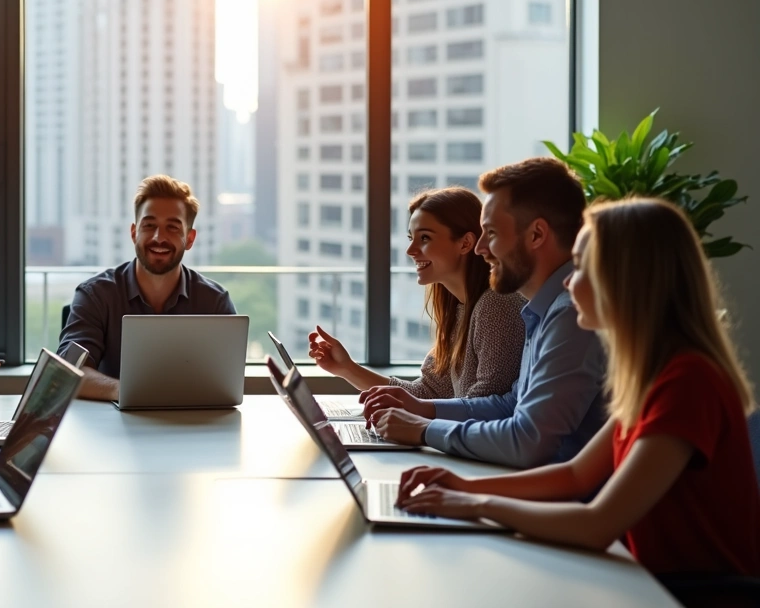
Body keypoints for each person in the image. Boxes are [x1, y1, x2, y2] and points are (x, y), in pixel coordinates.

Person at [395, 198, 760, 580]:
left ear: (625, 279)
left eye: (582, 266)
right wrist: (464, 486)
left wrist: (476, 504)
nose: (568, 281)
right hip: (642, 581)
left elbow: (597, 524)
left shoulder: (687, 382)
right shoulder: (651, 374)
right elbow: (574, 476)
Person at [360, 157, 606, 467]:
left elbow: (528, 441)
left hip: (554, 489)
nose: (480, 249)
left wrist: (424, 429)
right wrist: (424, 409)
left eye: (491, 233)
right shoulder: (542, 311)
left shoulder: (571, 315)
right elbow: (510, 404)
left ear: (536, 235)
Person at [308, 187, 525, 400]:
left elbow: (484, 409)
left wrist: (411, 422)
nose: (410, 250)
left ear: (465, 243)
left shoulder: (496, 305)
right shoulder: (460, 310)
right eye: (411, 238)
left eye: (425, 238)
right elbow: (427, 394)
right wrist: (346, 368)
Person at [58, 175, 236, 401]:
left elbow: (227, 381)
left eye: (172, 227)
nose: (158, 237)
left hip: (191, 419)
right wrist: (126, 392)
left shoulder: (215, 301)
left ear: (190, 239)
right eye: (149, 225)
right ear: (134, 233)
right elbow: (69, 371)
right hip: (111, 419)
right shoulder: (95, 295)